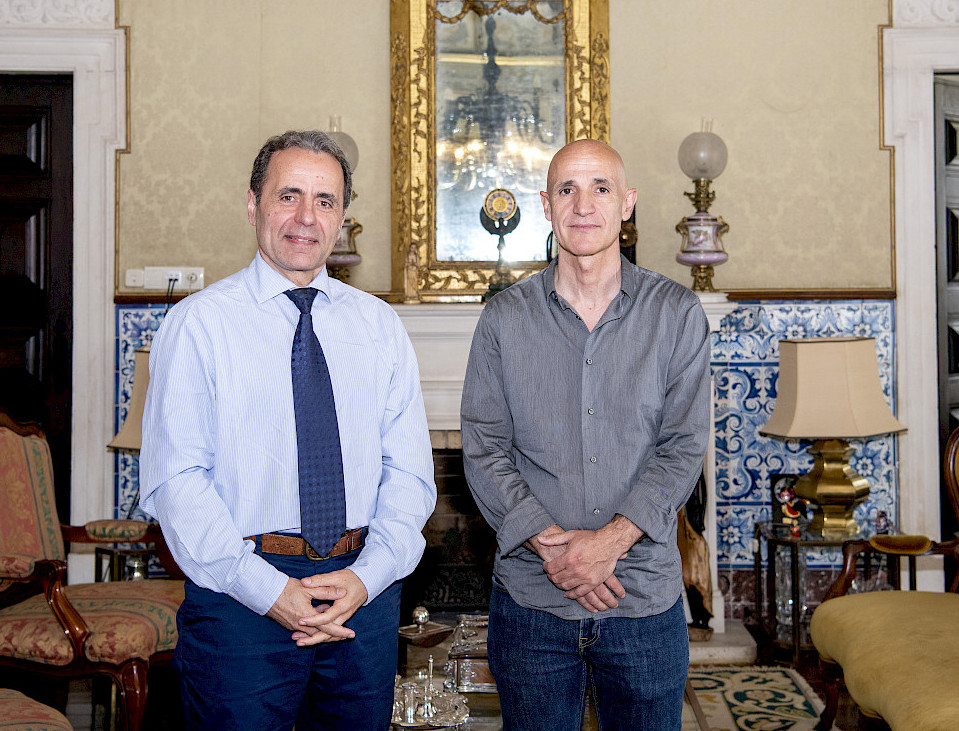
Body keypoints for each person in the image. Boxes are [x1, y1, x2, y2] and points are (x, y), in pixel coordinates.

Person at [140, 130, 436, 730]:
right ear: (254, 205)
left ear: (342, 217)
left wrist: (366, 577)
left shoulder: (379, 326)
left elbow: (409, 473)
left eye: (325, 201)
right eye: (289, 196)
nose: (306, 217)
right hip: (239, 598)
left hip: (363, 597)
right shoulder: (198, 325)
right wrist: (270, 592)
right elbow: (177, 481)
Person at [461, 139, 710, 731]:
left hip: (642, 601)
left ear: (627, 203)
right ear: (546, 205)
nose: (583, 204)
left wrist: (608, 545)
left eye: (601, 188)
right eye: (567, 189)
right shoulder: (504, 318)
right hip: (532, 604)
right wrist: (557, 551)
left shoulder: (677, 314)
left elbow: (683, 447)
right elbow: (484, 447)